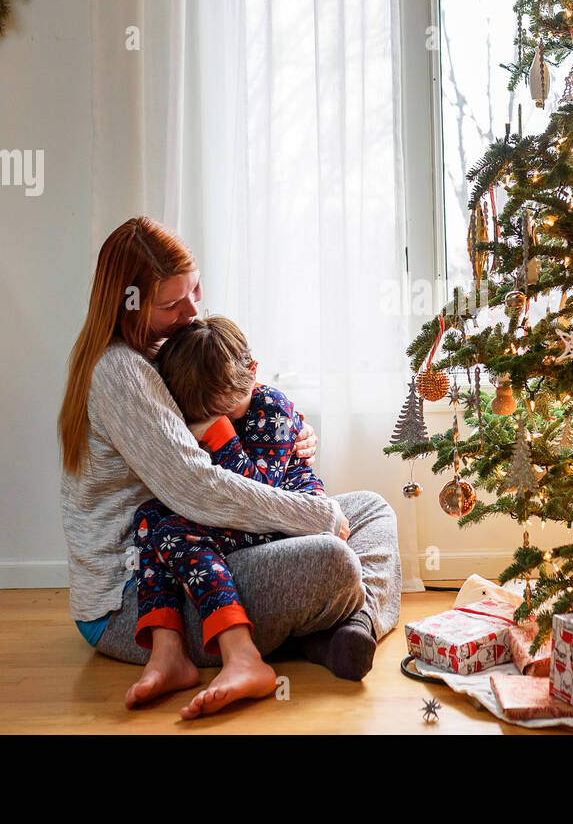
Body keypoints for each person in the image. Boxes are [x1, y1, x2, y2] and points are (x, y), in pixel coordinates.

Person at [57, 217, 402, 719]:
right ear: (128, 304)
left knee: (372, 509)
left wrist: (291, 438)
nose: (193, 311)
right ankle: (338, 622)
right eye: (172, 304)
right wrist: (313, 516)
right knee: (334, 559)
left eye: (194, 289)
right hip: (147, 595)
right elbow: (198, 489)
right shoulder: (121, 372)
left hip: (212, 540)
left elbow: (233, 433)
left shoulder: (162, 350)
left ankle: (346, 631)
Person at [128, 315, 345, 717]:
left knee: (176, 532)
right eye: (205, 414)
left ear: (252, 372)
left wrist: (217, 433)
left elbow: (261, 492)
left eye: (226, 410)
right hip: (235, 515)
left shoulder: (271, 408)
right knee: (149, 518)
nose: (218, 418)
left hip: (289, 518)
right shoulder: (196, 393)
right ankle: (166, 650)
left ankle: (242, 657)